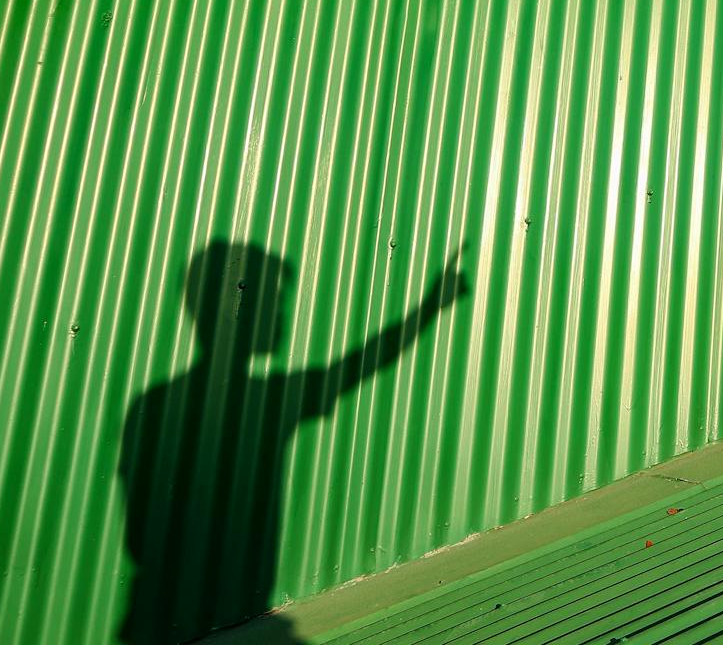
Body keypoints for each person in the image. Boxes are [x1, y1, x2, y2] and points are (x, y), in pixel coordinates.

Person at [118, 239, 469, 643]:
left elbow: (353, 367)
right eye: (271, 298)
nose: (280, 311)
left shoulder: (167, 401)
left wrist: (429, 308)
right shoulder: (259, 399)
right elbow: (351, 369)